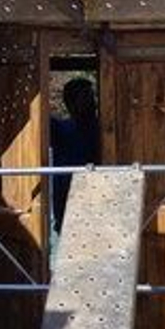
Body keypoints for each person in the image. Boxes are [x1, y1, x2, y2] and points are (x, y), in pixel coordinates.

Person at [49, 77, 101, 232]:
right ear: (70, 103)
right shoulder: (59, 129)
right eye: (86, 97)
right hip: (67, 205)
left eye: (92, 96)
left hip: (99, 201)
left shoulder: (105, 128)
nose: (93, 102)